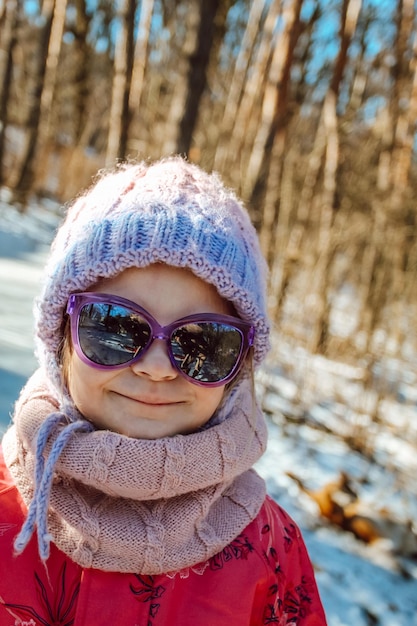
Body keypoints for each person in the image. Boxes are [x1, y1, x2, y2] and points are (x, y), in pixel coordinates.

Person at [0, 156, 327, 625]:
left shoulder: (270, 549)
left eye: (203, 343)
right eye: (114, 326)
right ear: (60, 337)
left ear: (239, 368)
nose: (157, 368)